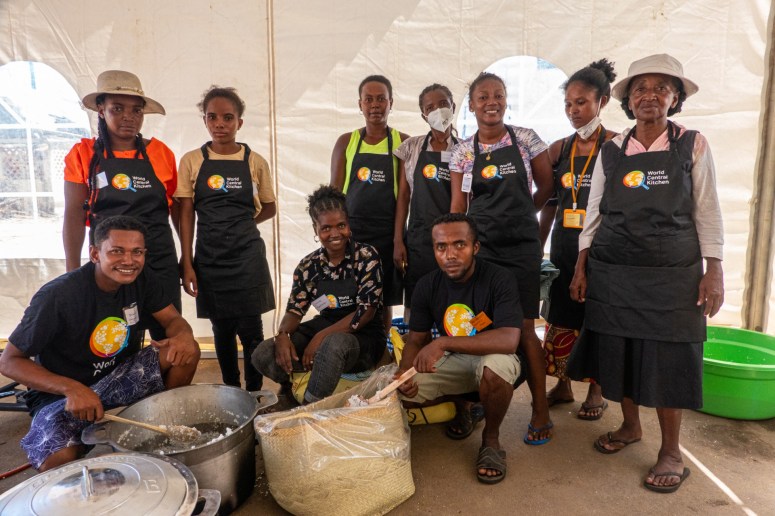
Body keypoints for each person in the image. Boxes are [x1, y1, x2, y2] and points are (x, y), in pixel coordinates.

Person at [567, 54, 724, 493]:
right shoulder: (612, 150)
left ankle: (671, 450)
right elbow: (593, 212)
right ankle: (630, 427)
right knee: (622, 351)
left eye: (660, 87)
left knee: (671, 357)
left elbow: (708, 210)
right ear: (628, 100)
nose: (649, 95)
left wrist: (714, 270)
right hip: (615, 269)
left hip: (673, 273)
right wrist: (581, 265)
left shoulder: (691, 144)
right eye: (640, 89)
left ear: (674, 98)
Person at [0, 215, 200, 472]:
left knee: (186, 350)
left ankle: (164, 424)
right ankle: (91, 438)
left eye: (136, 252)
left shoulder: (143, 278)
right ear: (95, 254)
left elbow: (172, 319)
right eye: (117, 251)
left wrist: (184, 334)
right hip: (62, 395)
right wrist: (71, 388)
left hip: (119, 376)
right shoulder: (58, 296)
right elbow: (9, 361)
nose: (128, 261)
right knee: (57, 462)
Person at [449, 72, 554, 445]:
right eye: (482, 97)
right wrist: (462, 248)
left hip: (522, 247)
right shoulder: (462, 151)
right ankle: (480, 399)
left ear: (506, 101)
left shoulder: (526, 139)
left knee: (525, 328)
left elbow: (547, 187)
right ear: (472, 105)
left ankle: (539, 409)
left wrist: (523, 214)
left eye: (498, 95)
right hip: (484, 249)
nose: (490, 102)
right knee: (482, 322)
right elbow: (458, 208)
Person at [397, 213, 522, 484]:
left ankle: (491, 440)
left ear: (475, 247)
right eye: (441, 247)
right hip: (454, 360)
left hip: (493, 357)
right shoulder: (426, 285)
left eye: (459, 245)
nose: (450, 254)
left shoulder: (500, 279)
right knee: (399, 394)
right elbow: (416, 340)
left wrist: (442, 342)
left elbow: (509, 339)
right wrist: (403, 373)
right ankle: (463, 408)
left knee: (493, 372)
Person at [62, 70, 180, 341]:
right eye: (118, 108)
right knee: (116, 335)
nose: (129, 117)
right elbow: (73, 215)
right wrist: (72, 271)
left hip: (158, 257)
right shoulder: (82, 155)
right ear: (101, 110)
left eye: (136, 111)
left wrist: (186, 260)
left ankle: (166, 385)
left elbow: (176, 208)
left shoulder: (160, 153)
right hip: (110, 260)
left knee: (168, 336)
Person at [176, 86, 276, 391]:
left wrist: (242, 223)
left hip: (247, 258)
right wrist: (187, 261)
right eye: (213, 117)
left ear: (239, 123)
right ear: (205, 121)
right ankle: (232, 390)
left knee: (251, 329)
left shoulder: (254, 161)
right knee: (221, 329)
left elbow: (270, 206)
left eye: (228, 117)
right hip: (210, 258)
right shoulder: (192, 161)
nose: (220, 124)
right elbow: (186, 213)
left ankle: (255, 392)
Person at [251, 185, 386, 406]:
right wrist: (283, 335)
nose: (335, 234)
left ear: (349, 225)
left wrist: (320, 338)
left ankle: (309, 407)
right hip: (325, 325)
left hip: (364, 336)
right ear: (315, 229)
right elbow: (295, 310)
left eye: (341, 225)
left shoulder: (366, 257)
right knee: (264, 352)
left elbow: (366, 312)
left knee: (333, 345)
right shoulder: (308, 265)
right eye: (326, 228)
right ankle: (291, 387)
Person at [538, 59, 617, 420]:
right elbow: (550, 205)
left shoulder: (617, 147)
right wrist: (537, 247)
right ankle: (563, 385)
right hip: (564, 248)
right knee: (561, 316)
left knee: (595, 317)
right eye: (568, 104)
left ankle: (596, 392)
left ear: (603, 101)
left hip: (602, 251)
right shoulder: (559, 149)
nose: (573, 110)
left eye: (581, 102)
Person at [330, 75, 409, 326]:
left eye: (381, 99)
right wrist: (338, 238)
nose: (375, 105)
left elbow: (404, 199)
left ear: (391, 102)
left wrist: (399, 239)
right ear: (360, 104)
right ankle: (352, 350)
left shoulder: (403, 143)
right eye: (369, 99)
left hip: (388, 234)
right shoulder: (346, 142)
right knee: (352, 296)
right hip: (352, 234)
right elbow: (335, 195)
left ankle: (381, 350)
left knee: (383, 299)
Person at [393, 83, 458, 320]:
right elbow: (403, 196)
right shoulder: (411, 147)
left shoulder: (466, 150)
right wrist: (398, 240)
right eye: (430, 107)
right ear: (423, 115)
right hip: (419, 240)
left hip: (454, 241)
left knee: (453, 300)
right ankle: (413, 350)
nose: (438, 111)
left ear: (453, 106)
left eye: (443, 104)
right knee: (417, 302)